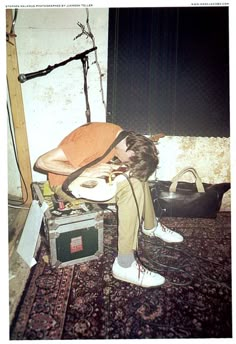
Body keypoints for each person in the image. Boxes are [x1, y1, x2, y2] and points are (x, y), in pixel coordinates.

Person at [35, 122, 183, 288]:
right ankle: (124, 265)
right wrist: (87, 170)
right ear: (131, 151)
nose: (127, 164)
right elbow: (42, 162)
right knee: (131, 186)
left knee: (137, 178)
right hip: (64, 183)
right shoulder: (94, 139)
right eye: (130, 162)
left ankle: (150, 226)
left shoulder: (119, 136)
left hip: (82, 176)